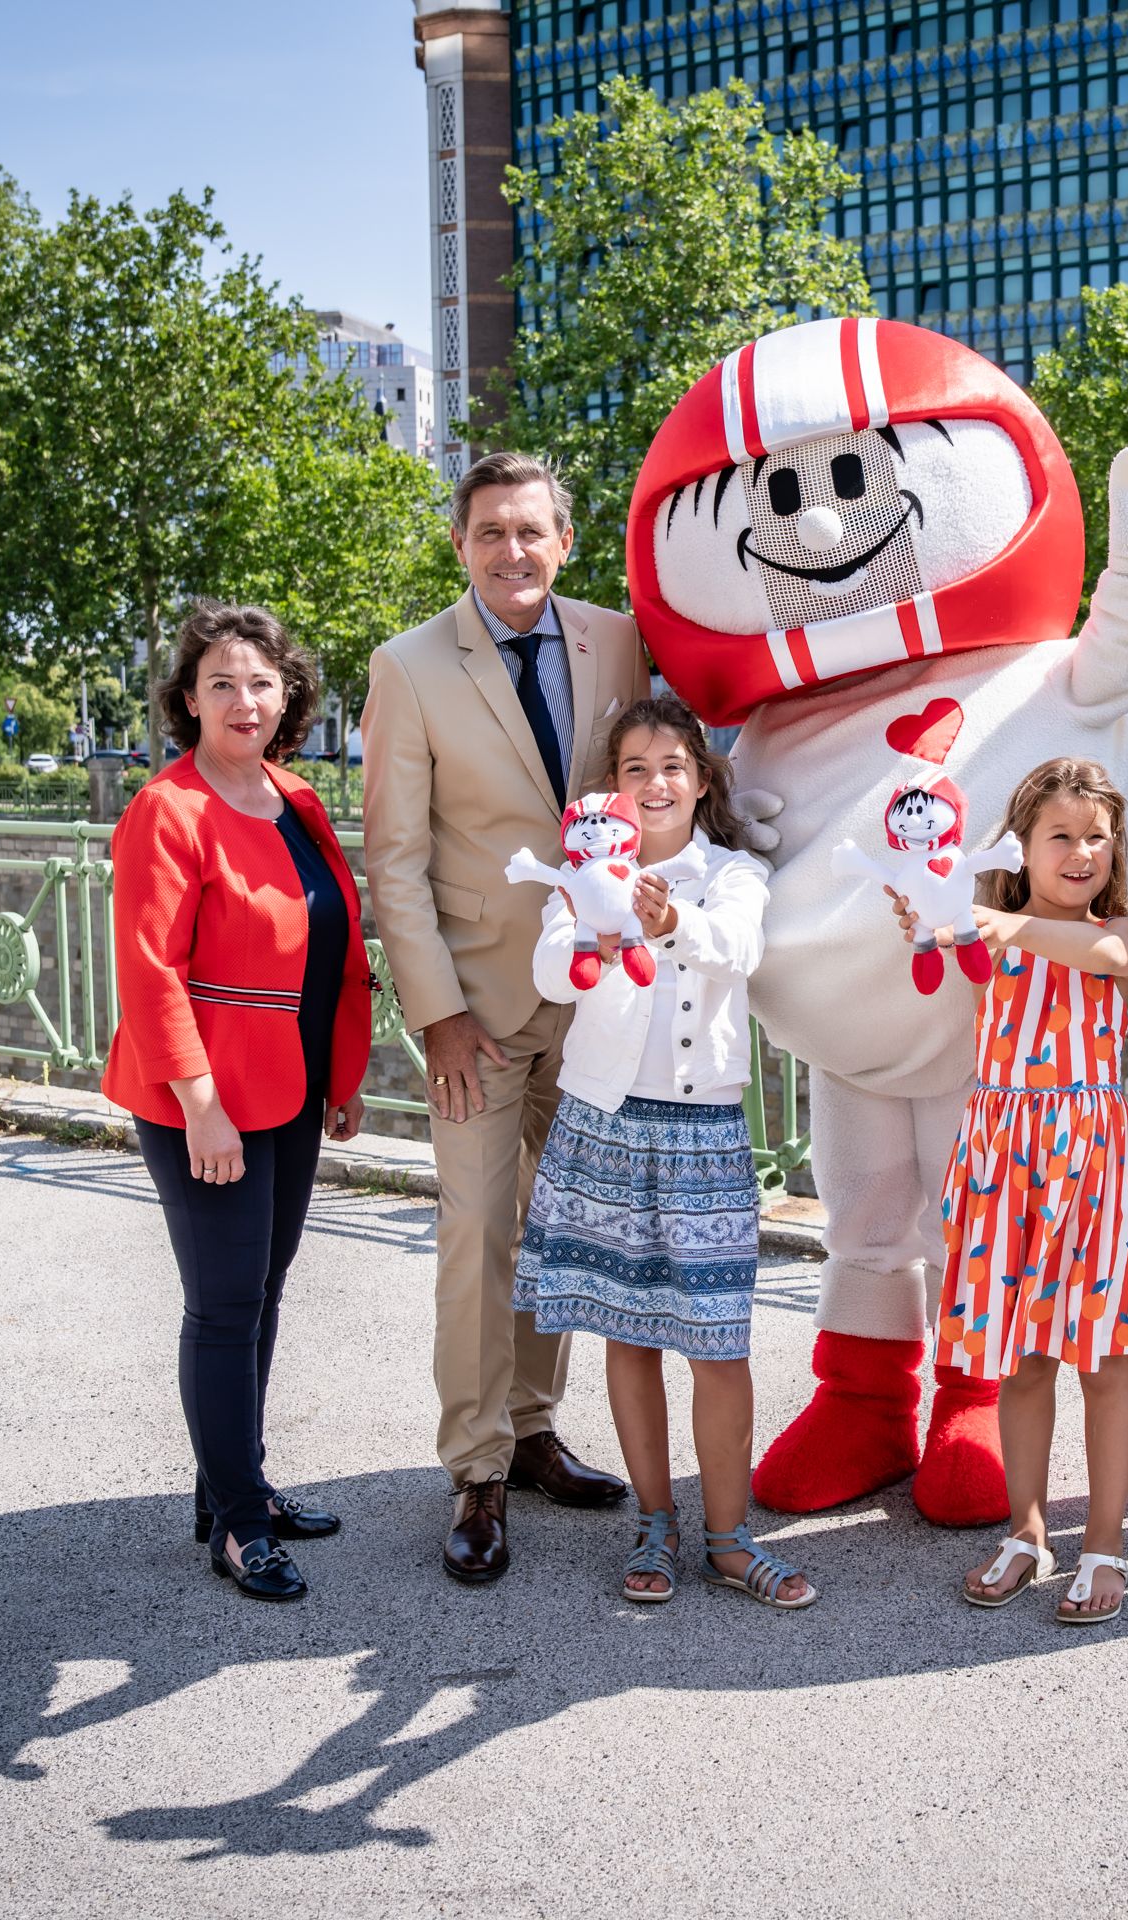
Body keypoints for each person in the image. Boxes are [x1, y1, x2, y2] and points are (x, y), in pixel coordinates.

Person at [361, 451, 653, 1585]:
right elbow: (393, 861)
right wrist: (433, 1014)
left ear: (562, 541)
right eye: (490, 532)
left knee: (561, 1228)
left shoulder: (616, 641)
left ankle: (535, 1432)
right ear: (461, 544)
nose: (512, 551)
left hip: (595, 1003)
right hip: (476, 1009)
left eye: (531, 531)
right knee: (480, 1232)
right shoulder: (410, 666)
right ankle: (476, 1468)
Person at [510, 697, 813, 1610]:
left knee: (718, 1342)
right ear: (613, 786)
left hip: (701, 1134)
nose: (654, 784)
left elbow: (737, 949)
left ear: (702, 780)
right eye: (634, 768)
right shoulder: (580, 872)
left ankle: (728, 1537)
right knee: (628, 1335)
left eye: (672, 766)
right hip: (602, 1121)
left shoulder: (732, 874)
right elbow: (552, 971)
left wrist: (665, 918)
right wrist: (600, 929)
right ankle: (654, 1520)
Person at [103, 603, 371, 1603]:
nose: (243, 700)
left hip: (293, 1085)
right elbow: (150, 971)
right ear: (187, 701)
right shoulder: (166, 810)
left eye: (261, 682)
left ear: (288, 697)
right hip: (205, 1096)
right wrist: (200, 1103)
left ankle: (235, 1483)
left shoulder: (294, 798)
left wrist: (342, 1080)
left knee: (263, 1290)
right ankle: (238, 1527)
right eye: (220, 683)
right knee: (223, 1307)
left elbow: (330, 938)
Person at [929, 759, 1128, 1627]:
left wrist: (993, 920)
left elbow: (1102, 955)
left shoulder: (1119, 935)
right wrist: (929, 907)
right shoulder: (983, 928)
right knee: (1023, 1362)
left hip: (1090, 1165)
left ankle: (1103, 1542)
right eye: (1059, 837)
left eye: (1096, 837)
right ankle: (1026, 1531)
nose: (1079, 853)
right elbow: (930, 941)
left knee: (1103, 1359)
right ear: (1021, 847)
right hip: (1005, 1161)